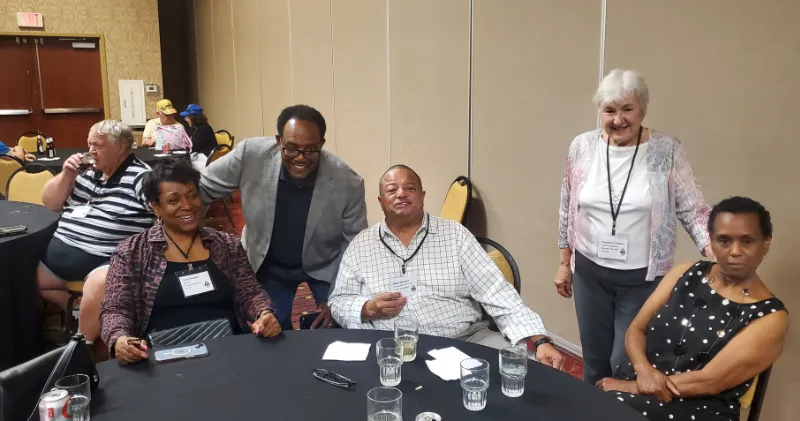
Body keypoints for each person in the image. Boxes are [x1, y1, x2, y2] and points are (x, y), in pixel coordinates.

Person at [555, 69, 712, 384]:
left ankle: (619, 407)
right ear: (600, 111)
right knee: (594, 356)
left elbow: (693, 208)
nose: (618, 119)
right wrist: (563, 262)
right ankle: (591, 406)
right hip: (588, 273)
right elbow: (567, 205)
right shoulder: (582, 147)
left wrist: (715, 250)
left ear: (643, 109)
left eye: (628, 109)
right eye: (609, 110)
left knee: (625, 360)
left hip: (642, 279)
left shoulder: (666, 149)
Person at [329, 165, 564, 368]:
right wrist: (369, 307)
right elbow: (339, 301)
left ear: (422, 196)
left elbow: (497, 292)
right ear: (381, 201)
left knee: (527, 367)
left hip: (463, 338)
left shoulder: (455, 235)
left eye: (410, 188)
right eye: (392, 190)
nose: (401, 194)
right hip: (390, 343)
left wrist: (541, 341)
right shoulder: (361, 245)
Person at [595, 197, 788, 421]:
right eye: (724, 240)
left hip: (698, 406)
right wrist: (642, 370)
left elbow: (710, 381)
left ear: (766, 243)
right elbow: (636, 329)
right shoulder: (685, 273)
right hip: (636, 378)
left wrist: (631, 388)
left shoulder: (771, 317)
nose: (735, 251)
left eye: (747, 241)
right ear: (711, 241)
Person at [200, 104, 367, 331]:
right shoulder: (251, 154)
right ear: (279, 141)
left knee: (339, 323)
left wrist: (335, 299)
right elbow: (201, 188)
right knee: (271, 330)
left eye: (311, 149)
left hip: (324, 264)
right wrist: (188, 234)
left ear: (322, 144)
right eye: (291, 148)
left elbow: (354, 245)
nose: (301, 157)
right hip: (268, 263)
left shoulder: (348, 183)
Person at [100, 159, 280, 364]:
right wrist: (120, 338)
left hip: (227, 347)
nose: (187, 206)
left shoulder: (226, 245)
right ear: (156, 207)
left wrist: (263, 312)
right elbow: (115, 309)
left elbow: (250, 292)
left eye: (192, 196)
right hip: (164, 355)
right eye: (173, 200)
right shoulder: (131, 252)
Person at [38, 120, 155, 343]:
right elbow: (50, 203)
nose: (91, 150)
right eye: (89, 144)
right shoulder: (87, 170)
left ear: (121, 146)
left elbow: (164, 210)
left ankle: (83, 346)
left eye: (98, 145)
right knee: (18, 271)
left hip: (106, 258)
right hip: (59, 255)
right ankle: (75, 310)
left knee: (99, 284)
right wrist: (67, 174)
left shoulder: (141, 177)